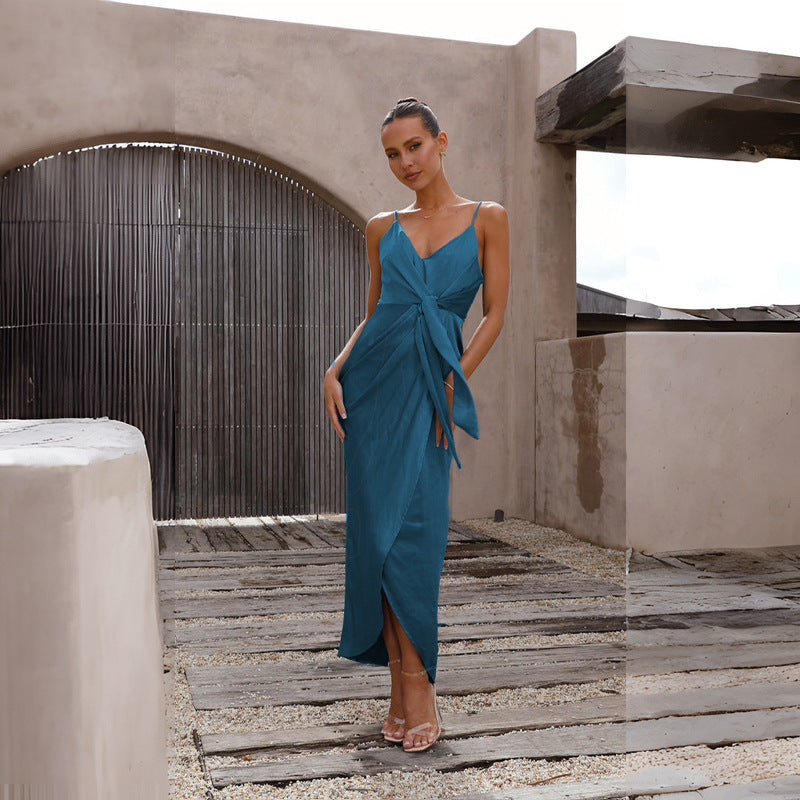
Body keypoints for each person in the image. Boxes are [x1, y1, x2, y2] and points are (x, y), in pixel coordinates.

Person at [323, 98, 509, 753]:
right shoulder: (382, 228)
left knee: (416, 538)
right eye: (392, 154)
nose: (405, 162)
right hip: (372, 390)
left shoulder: (488, 218)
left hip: (431, 387)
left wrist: (455, 379)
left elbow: (495, 313)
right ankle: (400, 691)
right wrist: (334, 369)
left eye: (414, 146)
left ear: (441, 141)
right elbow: (374, 312)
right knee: (376, 541)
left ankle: (419, 685)